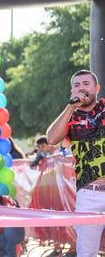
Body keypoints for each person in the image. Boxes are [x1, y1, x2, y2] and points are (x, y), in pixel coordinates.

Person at [46, 69, 105, 257]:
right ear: (72, 92)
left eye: (86, 84)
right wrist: (70, 108)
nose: (82, 88)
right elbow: (52, 139)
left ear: (96, 88)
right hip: (89, 196)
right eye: (77, 85)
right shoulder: (69, 118)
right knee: (86, 253)